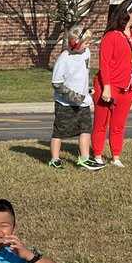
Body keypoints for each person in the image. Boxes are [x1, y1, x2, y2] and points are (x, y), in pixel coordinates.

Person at [88, 0, 132, 169]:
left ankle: (116, 156)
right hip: (108, 86)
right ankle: (97, 155)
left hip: (128, 87)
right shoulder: (111, 36)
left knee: (119, 124)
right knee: (101, 123)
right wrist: (107, 88)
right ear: (128, 13)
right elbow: (104, 64)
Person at [49, 26, 100, 170]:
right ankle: (54, 159)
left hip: (83, 101)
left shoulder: (86, 53)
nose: (88, 46)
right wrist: (75, 97)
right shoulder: (63, 59)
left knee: (85, 129)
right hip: (65, 103)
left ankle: (84, 159)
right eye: (85, 43)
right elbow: (56, 83)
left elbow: (85, 71)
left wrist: (88, 87)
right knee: (59, 131)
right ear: (74, 43)